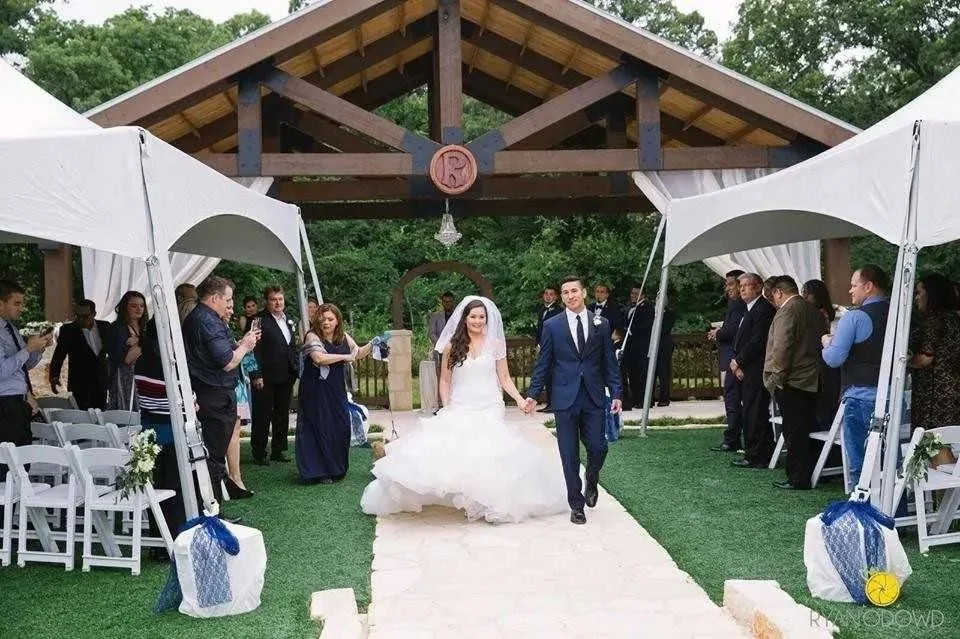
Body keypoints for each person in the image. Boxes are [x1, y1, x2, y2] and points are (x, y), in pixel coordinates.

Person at [361, 297, 567, 522]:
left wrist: (519, 400)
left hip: (490, 405)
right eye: (473, 317)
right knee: (461, 452)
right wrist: (447, 406)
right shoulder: (452, 346)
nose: (477, 321)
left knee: (490, 454)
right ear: (465, 319)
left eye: (481, 317)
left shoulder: (496, 344)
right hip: (461, 403)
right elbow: (445, 381)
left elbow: (505, 377)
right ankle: (471, 498)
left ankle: (494, 504)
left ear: (487, 319)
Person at [524, 276, 622, 525]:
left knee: (599, 447)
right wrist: (533, 394)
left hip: (593, 397)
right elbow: (543, 363)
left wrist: (617, 393)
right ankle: (576, 505)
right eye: (565, 292)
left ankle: (592, 477)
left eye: (574, 290)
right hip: (564, 398)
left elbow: (609, 361)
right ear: (562, 296)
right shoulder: (553, 326)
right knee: (568, 454)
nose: (570, 295)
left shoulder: (601, 323)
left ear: (584, 293)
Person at [182, 275, 260, 507]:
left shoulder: (201, 318)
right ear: (215, 298)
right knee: (214, 457)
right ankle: (213, 512)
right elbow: (227, 361)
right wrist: (245, 346)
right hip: (214, 395)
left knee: (212, 455)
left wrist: (242, 344)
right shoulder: (207, 321)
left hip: (209, 392)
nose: (230, 305)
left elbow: (219, 353)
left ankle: (211, 507)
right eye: (228, 299)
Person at [822, 265, 890, 488]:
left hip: (861, 396)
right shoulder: (901, 314)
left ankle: (862, 515)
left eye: (853, 285)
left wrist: (826, 343)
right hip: (896, 397)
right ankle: (895, 516)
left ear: (868, 286)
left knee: (860, 465)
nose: (850, 291)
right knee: (891, 463)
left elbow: (833, 358)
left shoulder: (854, 318)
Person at [298, 303, 373, 484]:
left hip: (336, 388)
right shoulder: (312, 336)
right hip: (315, 389)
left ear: (338, 321)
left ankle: (336, 468)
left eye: (330, 319)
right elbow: (319, 358)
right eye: (322, 319)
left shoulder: (343, 337)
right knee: (320, 426)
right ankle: (318, 471)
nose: (326, 323)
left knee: (340, 425)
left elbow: (357, 352)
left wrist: (373, 343)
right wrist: (344, 357)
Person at [763, 276, 824, 490]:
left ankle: (797, 478)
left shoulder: (787, 311)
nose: (774, 301)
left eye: (774, 296)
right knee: (807, 428)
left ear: (779, 292)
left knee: (794, 431)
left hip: (793, 379)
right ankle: (810, 472)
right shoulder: (812, 309)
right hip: (813, 377)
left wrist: (776, 379)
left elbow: (782, 347)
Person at [730, 273, 776, 469]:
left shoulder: (762, 309)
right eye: (740, 286)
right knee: (751, 410)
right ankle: (759, 451)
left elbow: (757, 341)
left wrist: (739, 361)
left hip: (756, 368)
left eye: (746, 286)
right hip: (747, 367)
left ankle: (756, 455)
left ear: (758, 287)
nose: (742, 289)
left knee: (754, 411)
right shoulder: (749, 308)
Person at [249, 285, 299, 465]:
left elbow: (291, 346)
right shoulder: (258, 320)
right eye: (273, 299)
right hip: (265, 377)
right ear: (266, 301)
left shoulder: (289, 319)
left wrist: (295, 367)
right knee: (262, 415)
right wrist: (255, 374)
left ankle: (279, 450)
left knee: (282, 414)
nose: (278, 303)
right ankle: (259, 452)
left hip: (286, 375)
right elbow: (251, 349)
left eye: (280, 299)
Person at [0, 280, 52, 447]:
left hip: (19, 403)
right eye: (16, 303)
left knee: (24, 462)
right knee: (9, 465)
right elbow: (1, 371)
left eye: (22, 303)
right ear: (1, 303)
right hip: (5, 405)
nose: (22, 308)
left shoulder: (11, 329)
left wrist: (39, 348)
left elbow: (24, 366)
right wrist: (28, 349)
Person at [908, 273, 960, 430]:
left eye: (919, 292)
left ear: (931, 294)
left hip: (934, 394)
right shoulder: (954, 318)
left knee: (932, 443)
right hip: (954, 389)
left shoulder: (934, 321)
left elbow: (926, 358)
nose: (916, 298)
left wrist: (906, 361)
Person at [48, 299, 111, 410]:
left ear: (94, 314)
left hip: (101, 381)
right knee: (80, 418)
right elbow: (59, 355)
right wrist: (54, 376)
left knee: (101, 416)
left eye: (85, 316)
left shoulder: (105, 327)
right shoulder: (68, 330)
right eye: (78, 316)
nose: (81, 319)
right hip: (79, 383)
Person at [709, 270, 746, 452]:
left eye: (731, 284)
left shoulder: (739, 305)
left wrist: (718, 333)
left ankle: (732, 439)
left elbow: (734, 332)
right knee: (733, 399)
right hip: (733, 357)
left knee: (732, 399)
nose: (727, 288)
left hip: (735, 358)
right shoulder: (736, 303)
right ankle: (733, 436)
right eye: (727, 284)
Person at [802, 279, 841, 431]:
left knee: (824, 407)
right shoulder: (825, 312)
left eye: (807, 293)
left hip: (822, 363)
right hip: (825, 363)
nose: (804, 297)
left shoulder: (818, 314)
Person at [108, 290, 147, 411]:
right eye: (133, 305)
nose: (138, 309)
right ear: (125, 307)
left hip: (144, 376)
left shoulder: (146, 327)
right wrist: (143, 343)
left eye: (141, 305)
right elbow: (125, 359)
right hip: (125, 377)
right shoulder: (117, 328)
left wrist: (139, 341)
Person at [619, 285, 653, 411]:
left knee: (641, 372)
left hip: (641, 344)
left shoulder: (647, 307)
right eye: (632, 293)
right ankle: (635, 398)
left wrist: (632, 330)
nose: (633, 295)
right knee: (632, 373)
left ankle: (644, 400)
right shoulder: (630, 307)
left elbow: (647, 325)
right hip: (630, 345)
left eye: (636, 293)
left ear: (643, 295)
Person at [534, 285, 563, 412]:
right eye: (546, 293)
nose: (548, 296)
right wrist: (538, 344)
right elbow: (539, 330)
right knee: (545, 375)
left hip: (554, 348)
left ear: (556, 297)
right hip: (543, 347)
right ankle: (549, 402)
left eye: (551, 294)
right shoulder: (541, 310)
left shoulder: (559, 311)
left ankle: (554, 403)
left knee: (553, 375)